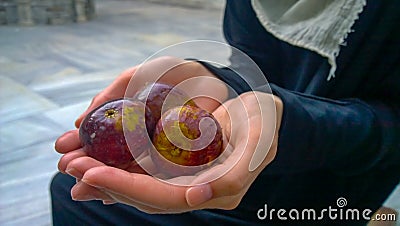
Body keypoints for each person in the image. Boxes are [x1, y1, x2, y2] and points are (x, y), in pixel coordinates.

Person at [50, 0, 400, 225]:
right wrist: (217, 79)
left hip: (321, 190)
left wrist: (289, 123)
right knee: (69, 186)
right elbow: (256, 66)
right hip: (233, 146)